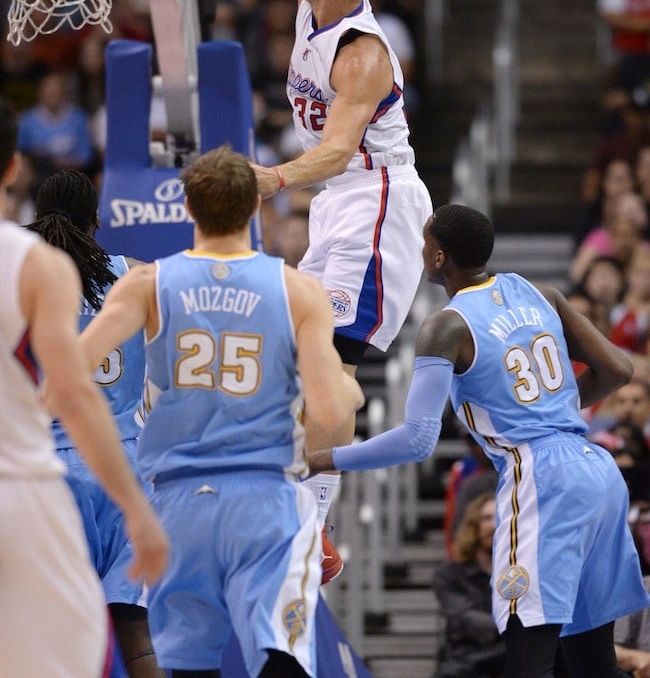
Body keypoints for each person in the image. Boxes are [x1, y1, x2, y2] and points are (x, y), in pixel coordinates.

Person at [309, 203, 650, 678]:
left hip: (540, 475)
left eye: (426, 242)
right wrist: (557, 408)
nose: (421, 247)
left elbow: (418, 439)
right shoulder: (540, 293)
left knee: (527, 658)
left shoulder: (446, 325)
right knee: (594, 661)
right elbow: (619, 369)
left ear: (438, 258)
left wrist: (322, 458)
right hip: (597, 470)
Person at [78, 145, 365, 678]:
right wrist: (348, 391)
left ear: (188, 209)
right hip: (263, 499)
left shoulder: (145, 284)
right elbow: (330, 407)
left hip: (178, 501)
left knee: (188, 666)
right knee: (281, 653)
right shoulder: (299, 290)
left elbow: (67, 378)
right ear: (255, 209)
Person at [248, 0, 433, 562]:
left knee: (332, 355)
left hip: (376, 198)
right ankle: (300, 501)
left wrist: (273, 177)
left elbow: (336, 148)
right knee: (302, 349)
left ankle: (319, 527)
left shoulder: (362, 52)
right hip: (338, 198)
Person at [0, 94, 168, 677]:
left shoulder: (23, 274)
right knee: (134, 627)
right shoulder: (135, 277)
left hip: (48, 466)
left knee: (46, 638)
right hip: (128, 463)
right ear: (98, 222)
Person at [432, 492, 506, 678]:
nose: (494, 525)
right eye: (487, 518)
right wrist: (512, 627)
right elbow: (465, 617)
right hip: (466, 661)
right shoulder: (448, 575)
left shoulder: (518, 573)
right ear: (473, 526)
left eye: (499, 517)